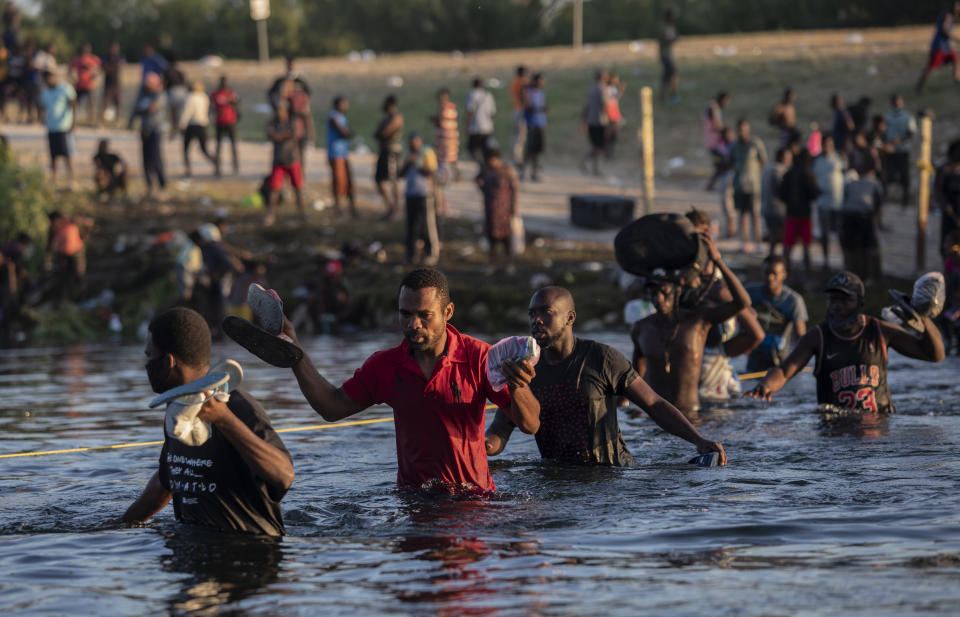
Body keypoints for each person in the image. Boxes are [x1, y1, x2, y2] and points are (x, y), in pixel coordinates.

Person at [269, 268, 540, 493]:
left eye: (425, 315)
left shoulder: (480, 357)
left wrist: (518, 386)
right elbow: (331, 407)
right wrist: (295, 353)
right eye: (406, 314)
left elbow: (531, 424)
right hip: (413, 502)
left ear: (448, 312)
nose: (414, 325)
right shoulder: (384, 365)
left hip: (473, 501)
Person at [485, 286, 726, 465]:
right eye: (531, 314)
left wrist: (698, 440)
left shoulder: (602, 358)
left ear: (570, 318)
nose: (536, 320)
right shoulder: (523, 368)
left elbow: (654, 404)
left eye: (546, 312)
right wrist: (484, 445)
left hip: (610, 474)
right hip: (556, 477)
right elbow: (502, 428)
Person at [121, 307, 294, 536]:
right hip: (196, 552)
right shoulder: (177, 410)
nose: (146, 366)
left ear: (169, 362)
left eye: (150, 357)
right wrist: (119, 525)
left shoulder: (236, 406)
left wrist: (224, 419)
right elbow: (167, 480)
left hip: (248, 553)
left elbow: (284, 475)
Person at [746, 271, 945, 412]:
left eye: (844, 300)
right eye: (832, 300)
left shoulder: (880, 330)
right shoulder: (817, 337)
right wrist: (766, 385)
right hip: (834, 432)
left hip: (878, 431)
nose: (836, 306)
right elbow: (784, 370)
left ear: (859, 303)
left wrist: (922, 318)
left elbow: (935, 355)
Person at [630, 234, 752, 415]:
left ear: (677, 290)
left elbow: (742, 302)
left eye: (664, 292)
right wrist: (631, 406)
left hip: (691, 415)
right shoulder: (641, 328)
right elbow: (636, 374)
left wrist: (718, 261)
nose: (659, 299)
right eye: (653, 294)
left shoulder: (697, 322)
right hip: (654, 419)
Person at [745, 256, 808, 372]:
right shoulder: (750, 293)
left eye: (774, 274)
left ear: (784, 274)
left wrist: (797, 364)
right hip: (754, 360)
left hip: (780, 362)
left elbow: (801, 337)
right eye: (766, 273)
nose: (770, 278)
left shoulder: (794, 300)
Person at [475, 147, 518, 276]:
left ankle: (509, 264)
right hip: (491, 209)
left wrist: (514, 207)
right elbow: (477, 179)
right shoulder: (486, 170)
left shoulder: (507, 171)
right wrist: (484, 190)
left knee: (507, 238)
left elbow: (515, 189)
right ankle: (491, 264)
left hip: (504, 210)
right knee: (491, 238)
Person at [779, 148, 820, 284]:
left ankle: (784, 275)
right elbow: (814, 194)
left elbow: (781, 193)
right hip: (805, 215)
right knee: (806, 247)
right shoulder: (809, 174)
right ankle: (807, 277)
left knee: (787, 248)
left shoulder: (789, 173)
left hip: (791, 214)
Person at [729, 118, 767, 253]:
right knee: (742, 214)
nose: (742, 132)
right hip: (739, 185)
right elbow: (730, 162)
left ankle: (759, 242)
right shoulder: (734, 146)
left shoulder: (755, 143)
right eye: (740, 129)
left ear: (748, 129)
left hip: (753, 186)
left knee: (755, 214)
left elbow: (763, 161)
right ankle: (744, 242)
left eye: (744, 129)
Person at [264, 102, 305, 226]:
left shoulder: (292, 122)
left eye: (281, 110)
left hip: (292, 160)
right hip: (279, 161)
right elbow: (272, 135)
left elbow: (294, 135)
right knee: (275, 189)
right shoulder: (272, 123)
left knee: (297, 188)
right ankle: (271, 214)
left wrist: (280, 135)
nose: (279, 113)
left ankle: (302, 213)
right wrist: (285, 135)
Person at [401, 133, 440, 266]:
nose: (413, 145)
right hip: (410, 194)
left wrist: (419, 165)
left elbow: (433, 172)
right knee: (411, 226)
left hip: (424, 194)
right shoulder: (408, 155)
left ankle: (431, 253)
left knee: (426, 226)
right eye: (411, 142)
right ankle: (411, 254)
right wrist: (409, 163)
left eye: (415, 142)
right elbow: (401, 173)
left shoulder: (426, 153)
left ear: (420, 142)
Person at [840, 165, 884, 282]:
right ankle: (869, 276)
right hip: (864, 215)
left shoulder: (850, 181)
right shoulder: (874, 182)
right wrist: (876, 219)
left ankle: (847, 275)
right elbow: (880, 203)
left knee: (849, 247)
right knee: (869, 246)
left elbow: (844, 198)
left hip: (848, 215)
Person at [129, 72, 167, 199]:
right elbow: (135, 109)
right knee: (145, 159)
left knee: (156, 157)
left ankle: (162, 185)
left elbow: (152, 108)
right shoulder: (143, 94)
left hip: (155, 130)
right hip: (144, 130)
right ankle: (149, 186)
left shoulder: (160, 94)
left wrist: (142, 110)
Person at [39, 70, 76, 190]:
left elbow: (73, 105)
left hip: (64, 127)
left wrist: (73, 123)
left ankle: (71, 180)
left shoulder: (65, 89)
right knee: (53, 156)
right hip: (51, 127)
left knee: (68, 154)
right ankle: (53, 180)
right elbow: (43, 108)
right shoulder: (44, 92)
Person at [812, 135, 845, 269]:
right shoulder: (817, 160)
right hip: (822, 202)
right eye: (825, 144)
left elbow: (846, 174)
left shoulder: (839, 158)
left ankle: (843, 260)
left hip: (837, 201)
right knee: (824, 233)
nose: (827, 146)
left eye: (830, 143)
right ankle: (826, 261)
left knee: (840, 233)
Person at [44, 211, 90, 303]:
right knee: (64, 276)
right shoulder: (52, 229)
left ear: (59, 220)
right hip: (62, 254)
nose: (53, 224)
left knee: (79, 275)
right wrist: (47, 259)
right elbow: (49, 244)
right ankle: (64, 299)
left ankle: (82, 298)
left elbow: (88, 222)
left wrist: (84, 235)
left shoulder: (69, 221)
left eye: (54, 222)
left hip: (77, 252)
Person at [916, 2, 960, 92]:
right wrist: (956, 39)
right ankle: (919, 86)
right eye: (957, 6)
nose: (958, 8)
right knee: (931, 68)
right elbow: (944, 30)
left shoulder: (950, 16)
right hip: (939, 47)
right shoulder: (947, 16)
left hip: (946, 47)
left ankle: (957, 79)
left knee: (956, 59)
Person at [373, 94, 404, 220]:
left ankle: (395, 210)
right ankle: (391, 207)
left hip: (392, 153)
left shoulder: (396, 118)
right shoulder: (387, 118)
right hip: (385, 151)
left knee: (394, 180)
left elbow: (383, 132)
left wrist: (381, 132)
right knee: (380, 180)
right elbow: (378, 133)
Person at [326, 95, 357, 218]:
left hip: (343, 153)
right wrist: (348, 132)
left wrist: (348, 132)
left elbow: (347, 132)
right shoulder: (333, 117)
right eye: (344, 103)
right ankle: (338, 209)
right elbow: (344, 132)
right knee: (339, 181)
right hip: (335, 154)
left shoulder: (341, 117)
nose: (346, 106)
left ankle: (351, 208)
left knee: (348, 180)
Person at [884, 94, 916, 207]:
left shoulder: (907, 117)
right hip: (890, 150)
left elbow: (911, 132)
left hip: (903, 149)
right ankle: (885, 199)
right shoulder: (887, 117)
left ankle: (905, 200)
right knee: (888, 175)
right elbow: (883, 131)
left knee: (904, 176)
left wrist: (901, 140)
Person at [179, 79, 216, 177]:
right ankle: (216, 163)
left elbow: (187, 112)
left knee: (186, 149)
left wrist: (182, 124)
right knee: (204, 148)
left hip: (192, 125)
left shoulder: (190, 97)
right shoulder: (204, 97)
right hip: (203, 124)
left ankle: (188, 170)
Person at [761, 147, 792, 257]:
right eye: (788, 157)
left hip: (766, 207)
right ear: (783, 157)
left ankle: (771, 257)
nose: (790, 159)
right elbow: (782, 191)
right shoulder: (780, 170)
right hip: (778, 209)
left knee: (772, 236)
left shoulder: (767, 168)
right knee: (782, 236)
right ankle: (783, 260)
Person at [580, 70, 608, 176]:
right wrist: (606, 118)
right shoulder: (603, 89)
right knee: (598, 146)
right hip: (600, 121)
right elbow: (604, 104)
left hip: (591, 120)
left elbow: (586, 106)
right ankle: (588, 163)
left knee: (595, 145)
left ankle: (593, 167)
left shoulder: (591, 89)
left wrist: (584, 120)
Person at [520, 72, 547, 181]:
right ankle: (523, 172)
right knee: (529, 150)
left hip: (541, 124)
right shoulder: (527, 91)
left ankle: (534, 173)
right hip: (531, 124)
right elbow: (528, 107)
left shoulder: (541, 93)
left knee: (536, 151)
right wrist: (541, 109)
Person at [210, 75, 239, 176]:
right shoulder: (218, 93)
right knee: (221, 146)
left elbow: (236, 104)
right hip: (223, 121)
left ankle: (234, 166)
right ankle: (219, 168)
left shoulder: (230, 93)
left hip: (228, 121)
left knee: (229, 145)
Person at [464, 77, 496, 165]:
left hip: (475, 128)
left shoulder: (471, 95)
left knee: (471, 149)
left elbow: (469, 112)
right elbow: (492, 114)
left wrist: (466, 126)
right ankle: (485, 165)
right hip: (487, 128)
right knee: (485, 150)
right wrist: (491, 127)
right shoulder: (488, 95)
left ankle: (480, 164)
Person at [431, 88, 459, 184]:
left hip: (445, 137)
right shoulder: (452, 107)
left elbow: (440, 122)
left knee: (444, 158)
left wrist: (433, 120)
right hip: (452, 136)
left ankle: (444, 178)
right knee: (451, 157)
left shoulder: (444, 108)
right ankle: (454, 174)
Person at [937, 139, 960, 253]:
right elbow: (939, 189)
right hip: (950, 208)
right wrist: (945, 204)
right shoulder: (945, 168)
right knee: (948, 238)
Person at [704, 92, 730, 190]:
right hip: (714, 143)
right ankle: (712, 186)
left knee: (720, 166)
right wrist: (725, 131)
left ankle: (711, 185)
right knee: (721, 165)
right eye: (726, 101)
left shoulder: (713, 107)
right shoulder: (714, 108)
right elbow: (716, 125)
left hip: (713, 142)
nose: (727, 104)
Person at [67, 42, 99, 124]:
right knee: (74, 102)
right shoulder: (76, 59)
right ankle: (72, 118)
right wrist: (73, 79)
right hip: (79, 84)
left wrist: (92, 75)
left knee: (91, 102)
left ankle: (91, 119)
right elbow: (70, 70)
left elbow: (97, 70)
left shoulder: (92, 59)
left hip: (89, 84)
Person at [163, 53, 187, 141]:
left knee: (173, 114)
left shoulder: (167, 71)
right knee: (182, 114)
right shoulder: (179, 72)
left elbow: (165, 84)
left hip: (173, 92)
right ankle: (183, 132)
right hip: (182, 91)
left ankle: (173, 133)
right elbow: (184, 82)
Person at [509, 65, 528, 168]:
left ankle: (517, 158)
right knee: (521, 137)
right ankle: (518, 160)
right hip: (521, 111)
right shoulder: (522, 82)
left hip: (516, 110)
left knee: (516, 136)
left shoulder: (514, 82)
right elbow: (523, 95)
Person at [100, 41, 124, 123]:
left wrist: (110, 68)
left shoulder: (120, 57)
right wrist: (112, 68)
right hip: (108, 83)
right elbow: (104, 68)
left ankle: (117, 119)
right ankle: (102, 119)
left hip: (117, 82)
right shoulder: (106, 57)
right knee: (106, 101)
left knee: (117, 102)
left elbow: (120, 66)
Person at [659, 8, 679, 103]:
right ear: (667, 17)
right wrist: (671, 39)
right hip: (664, 55)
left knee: (667, 76)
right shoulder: (663, 27)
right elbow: (661, 40)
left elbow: (674, 38)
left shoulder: (672, 27)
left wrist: (674, 39)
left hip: (669, 54)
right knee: (674, 73)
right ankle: (673, 95)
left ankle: (662, 96)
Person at [603, 72, 625, 158]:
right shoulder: (607, 89)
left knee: (613, 135)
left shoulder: (613, 88)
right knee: (609, 135)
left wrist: (621, 89)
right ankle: (607, 152)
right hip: (610, 114)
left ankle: (610, 152)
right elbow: (607, 102)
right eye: (615, 79)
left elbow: (616, 98)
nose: (617, 81)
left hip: (614, 113)